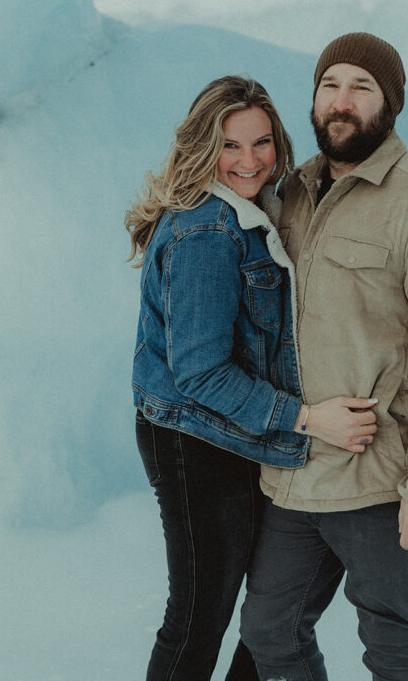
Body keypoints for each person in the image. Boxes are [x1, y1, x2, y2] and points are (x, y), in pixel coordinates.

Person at [240, 34, 408, 681]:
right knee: (269, 630)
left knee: (393, 648)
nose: (341, 101)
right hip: (295, 476)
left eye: (361, 87)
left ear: (390, 104)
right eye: (329, 85)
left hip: (382, 481)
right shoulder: (291, 193)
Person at [126, 75, 379, 681]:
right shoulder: (207, 231)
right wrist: (309, 418)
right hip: (196, 442)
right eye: (230, 145)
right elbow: (201, 373)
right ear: (201, 147)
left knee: (267, 613)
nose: (249, 160)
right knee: (200, 613)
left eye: (261, 142)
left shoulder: (256, 209)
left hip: (238, 432)